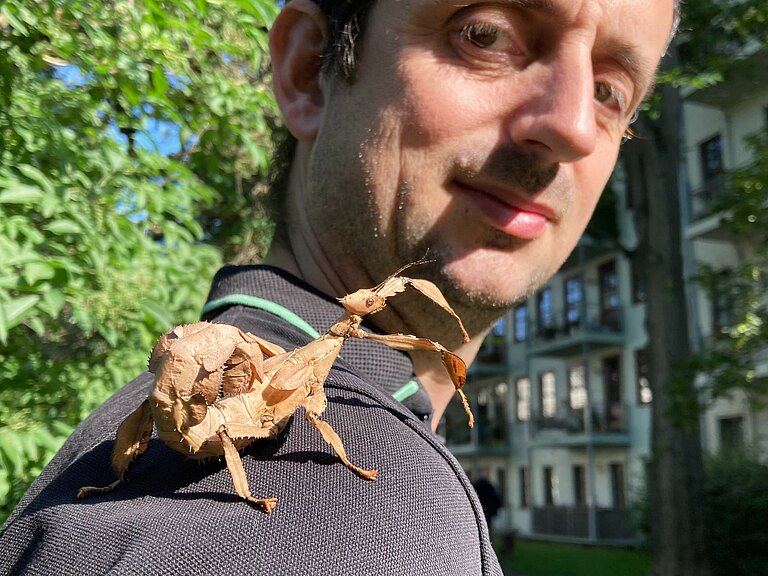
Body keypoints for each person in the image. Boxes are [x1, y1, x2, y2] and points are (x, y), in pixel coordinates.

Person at [0, 0, 678, 574]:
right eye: (485, 34)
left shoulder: (94, 457)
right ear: (308, 71)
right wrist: (354, 482)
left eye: (610, 91)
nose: (574, 127)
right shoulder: (369, 528)